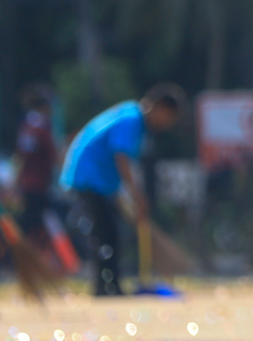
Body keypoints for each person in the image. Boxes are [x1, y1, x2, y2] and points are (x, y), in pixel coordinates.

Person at [61, 85, 185, 297]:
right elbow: (121, 157)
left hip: (99, 181)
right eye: (169, 117)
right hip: (90, 178)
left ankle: (109, 286)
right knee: (106, 233)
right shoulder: (132, 120)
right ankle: (106, 287)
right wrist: (136, 195)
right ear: (160, 107)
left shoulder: (132, 115)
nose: (167, 124)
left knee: (108, 233)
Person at [13, 85, 60, 246]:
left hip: (28, 184)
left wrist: (17, 181)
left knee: (31, 223)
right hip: (37, 184)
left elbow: (22, 156)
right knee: (35, 224)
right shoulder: (41, 128)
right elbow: (52, 155)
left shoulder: (27, 126)